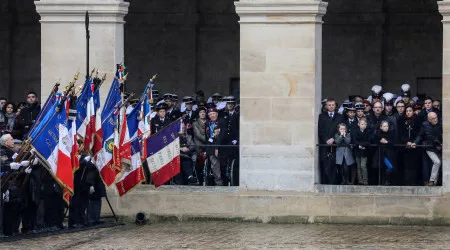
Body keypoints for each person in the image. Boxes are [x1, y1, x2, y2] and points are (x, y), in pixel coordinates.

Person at [411, 112, 442, 186]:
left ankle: (434, 182)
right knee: (437, 162)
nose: (435, 119)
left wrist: (441, 144)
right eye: (433, 118)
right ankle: (431, 180)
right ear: (429, 120)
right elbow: (420, 135)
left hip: (438, 148)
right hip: (428, 147)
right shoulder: (425, 125)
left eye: (436, 117)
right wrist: (415, 142)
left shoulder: (440, 125)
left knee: (438, 164)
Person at [318, 99, 344, 184]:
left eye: (333, 105)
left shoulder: (340, 117)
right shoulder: (321, 116)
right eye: (329, 105)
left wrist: (334, 138)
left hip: (336, 144)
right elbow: (320, 130)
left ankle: (336, 182)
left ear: (335, 106)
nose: (331, 106)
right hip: (325, 144)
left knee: (336, 164)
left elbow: (341, 130)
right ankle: (325, 182)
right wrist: (326, 140)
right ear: (326, 106)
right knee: (325, 163)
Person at [399, 106, 421, 185]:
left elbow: (420, 133)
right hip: (405, 147)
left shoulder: (417, 120)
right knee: (406, 165)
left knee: (414, 165)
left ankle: (414, 182)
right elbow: (400, 133)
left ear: (413, 111)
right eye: (407, 111)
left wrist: (414, 142)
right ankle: (406, 182)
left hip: (415, 147)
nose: (408, 112)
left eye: (410, 111)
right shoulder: (402, 120)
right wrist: (406, 142)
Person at [205, 105, 226, 186]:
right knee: (214, 165)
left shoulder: (221, 121)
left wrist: (217, 147)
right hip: (211, 147)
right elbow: (207, 137)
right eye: (210, 114)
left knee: (221, 165)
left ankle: (222, 182)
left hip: (220, 146)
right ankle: (218, 182)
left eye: (213, 113)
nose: (212, 115)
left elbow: (221, 135)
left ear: (217, 114)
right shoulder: (208, 123)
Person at [373, 121, 396, 185]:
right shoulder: (377, 134)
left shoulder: (391, 133)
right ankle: (384, 181)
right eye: (384, 126)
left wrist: (386, 142)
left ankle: (386, 179)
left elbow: (393, 142)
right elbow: (375, 141)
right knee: (384, 167)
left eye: (387, 126)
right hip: (381, 154)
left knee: (390, 167)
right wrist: (380, 141)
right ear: (381, 127)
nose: (386, 128)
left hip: (389, 154)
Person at [86, 158, 106, 226]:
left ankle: (96, 218)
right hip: (93, 184)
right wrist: (91, 185)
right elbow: (90, 173)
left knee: (98, 202)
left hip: (98, 185)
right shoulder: (89, 162)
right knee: (92, 203)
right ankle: (91, 219)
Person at [352, 118, 371, 185]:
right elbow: (354, 140)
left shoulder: (368, 132)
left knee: (363, 165)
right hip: (357, 151)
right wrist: (359, 145)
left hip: (364, 151)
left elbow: (369, 141)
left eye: (365, 124)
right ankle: (360, 181)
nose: (363, 125)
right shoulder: (355, 131)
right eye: (362, 124)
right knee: (358, 166)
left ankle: (365, 181)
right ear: (358, 124)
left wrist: (362, 145)